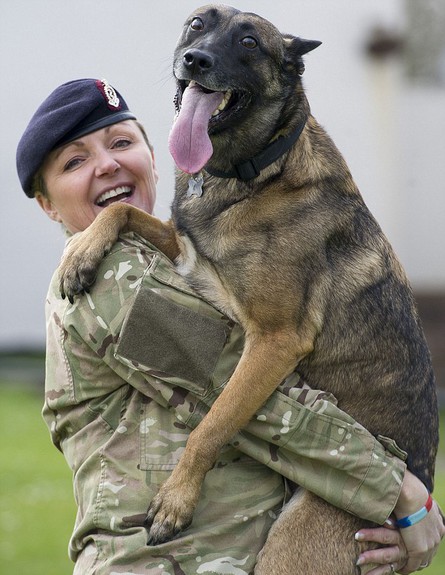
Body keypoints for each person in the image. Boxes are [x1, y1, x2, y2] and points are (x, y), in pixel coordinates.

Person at [16, 78, 444, 575]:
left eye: (121, 143)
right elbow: (261, 400)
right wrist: (401, 490)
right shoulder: (113, 277)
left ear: (157, 156)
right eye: (74, 161)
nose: (108, 163)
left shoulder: (174, 253)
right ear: (47, 204)